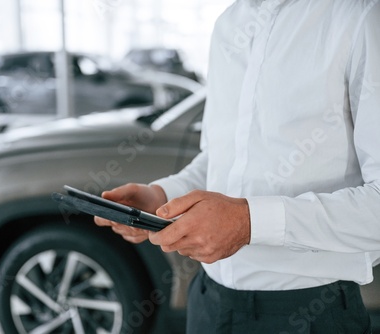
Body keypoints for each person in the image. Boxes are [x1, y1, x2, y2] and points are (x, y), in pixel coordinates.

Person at [95, 0, 380, 333]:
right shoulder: (228, 24)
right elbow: (221, 159)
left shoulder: (360, 16)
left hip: (309, 312)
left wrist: (248, 222)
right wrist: (161, 197)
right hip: (207, 303)